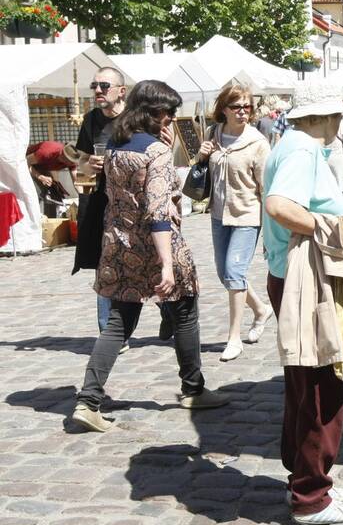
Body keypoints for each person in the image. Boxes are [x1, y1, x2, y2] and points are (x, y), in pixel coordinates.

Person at [70, 80, 228, 433]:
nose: (172, 119)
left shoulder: (113, 144)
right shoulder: (154, 152)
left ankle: (88, 400)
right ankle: (193, 389)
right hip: (156, 244)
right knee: (185, 309)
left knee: (118, 324)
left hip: (120, 244)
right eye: (167, 112)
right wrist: (168, 264)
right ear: (150, 111)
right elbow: (158, 211)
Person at [262, 79, 343, 525]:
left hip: (296, 276)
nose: (341, 121)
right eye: (337, 113)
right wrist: (326, 227)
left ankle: (307, 481)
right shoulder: (302, 149)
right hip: (304, 280)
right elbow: (279, 205)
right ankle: (311, 497)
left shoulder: (295, 144)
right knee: (321, 384)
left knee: (307, 385)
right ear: (322, 116)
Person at [196, 84, 273, 362]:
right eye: (237, 107)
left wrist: (270, 232)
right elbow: (203, 170)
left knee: (233, 272)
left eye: (247, 107)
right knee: (225, 274)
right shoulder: (212, 134)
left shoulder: (258, 143)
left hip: (247, 216)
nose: (243, 112)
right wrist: (201, 155)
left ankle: (233, 338)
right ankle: (261, 310)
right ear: (224, 109)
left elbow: (266, 188)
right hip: (218, 214)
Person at [72, 67, 135, 350]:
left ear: (121, 90)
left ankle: (170, 312)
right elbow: (81, 161)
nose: (98, 90)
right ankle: (108, 331)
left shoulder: (136, 120)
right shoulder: (90, 120)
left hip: (133, 202)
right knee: (103, 264)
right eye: (94, 85)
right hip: (101, 201)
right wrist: (88, 165)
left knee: (147, 262)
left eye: (104, 85)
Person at [26, 140, 77, 215]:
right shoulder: (47, 152)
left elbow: (76, 181)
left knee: (53, 192)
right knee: (37, 192)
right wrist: (40, 176)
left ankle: (51, 219)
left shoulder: (71, 160)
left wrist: (83, 197)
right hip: (25, 166)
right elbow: (25, 162)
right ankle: (33, 218)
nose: (72, 164)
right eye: (70, 162)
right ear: (64, 156)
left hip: (41, 167)